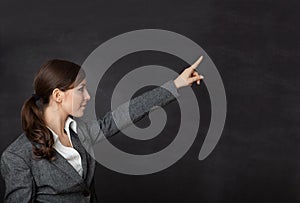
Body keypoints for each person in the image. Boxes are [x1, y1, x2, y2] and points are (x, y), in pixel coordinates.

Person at [0, 56, 204, 203]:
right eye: (81, 89)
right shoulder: (17, 157)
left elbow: (126, 114)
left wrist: (176, 84)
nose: (87, 96)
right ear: (58, 95)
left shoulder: (80, 134)